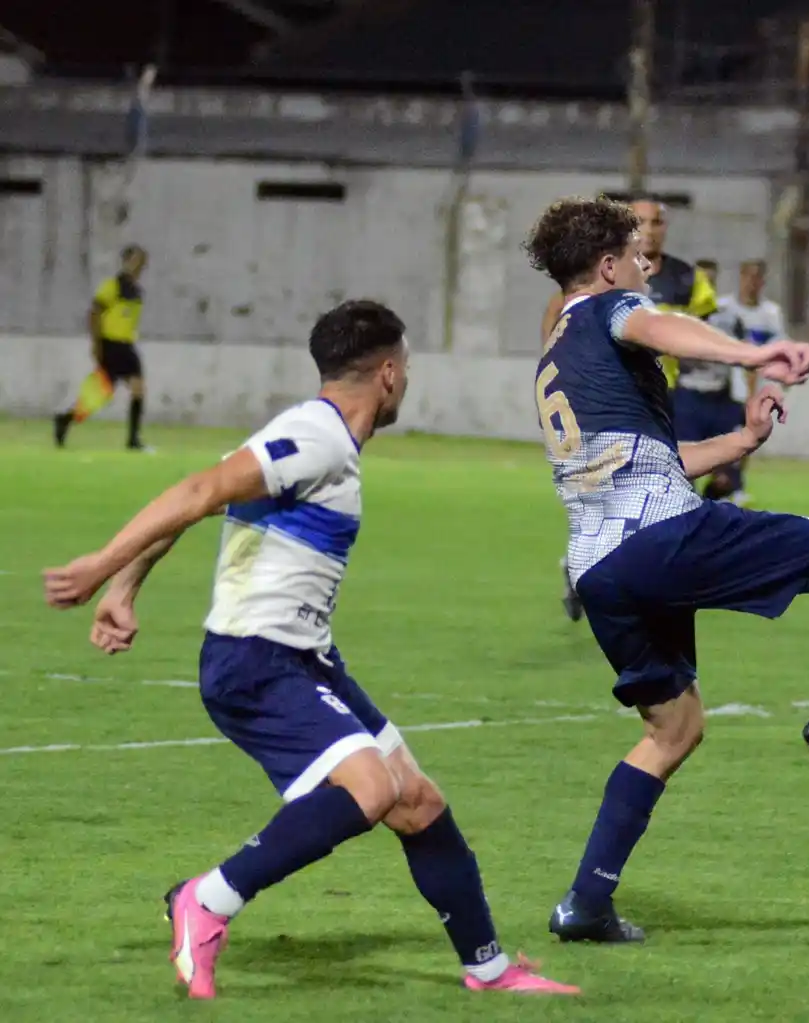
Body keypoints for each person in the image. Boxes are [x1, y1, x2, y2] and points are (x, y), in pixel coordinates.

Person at [41, 300, 578, 999]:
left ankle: (489, 968)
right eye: (406, 368)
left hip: (305, 656)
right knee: (372, 786)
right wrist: (102, 565)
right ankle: (208, 898)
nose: (405, 380)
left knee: (415, 799)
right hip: (253, 659)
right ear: (388, 373)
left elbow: (209, 491)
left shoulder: (308, 438)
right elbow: (201, 489)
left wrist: (126, 584)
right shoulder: (316, 435)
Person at [523, 196, 809, 944]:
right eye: (637, 257)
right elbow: (656, 322)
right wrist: (752, 352)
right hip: (662, 537)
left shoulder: (558, 351)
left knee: (674, 728)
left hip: (600, 569)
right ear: (605, 268)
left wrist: (743, 438)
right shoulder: (611, 308)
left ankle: (586, 902)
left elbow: (653, 462)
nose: (647, 268)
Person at [543, 197, 718, 622]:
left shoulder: (688, 279)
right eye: (641, 222)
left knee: (658, 488)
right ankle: (606, 570)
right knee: (624, 490)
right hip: (613, 402)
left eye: (657, 222)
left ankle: (597, 567)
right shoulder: (598, 281)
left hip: (663, 398)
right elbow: (557, 334)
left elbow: (698, 331)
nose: (650, 229)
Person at [704, 259, 789, 504]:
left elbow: (779, 346)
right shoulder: (724, 309)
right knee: (728, 436)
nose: (752, 283)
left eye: (757, 277)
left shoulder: (771, 313)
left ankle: (736, 483)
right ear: (740, 278)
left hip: (760, 387)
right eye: (748, 276)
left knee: (752, 435)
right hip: (729, 387)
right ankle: (725, 484)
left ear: (763, 281)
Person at [55, 244, 152, 451]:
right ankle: (66, 419)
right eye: (136, 260)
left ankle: (133, 439)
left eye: (142, 260)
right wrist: (96, 343)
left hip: (126, 345)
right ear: (126, 261)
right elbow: (94, 313)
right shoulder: (113, 286)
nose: (140, 264)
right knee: (101, 393)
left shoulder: (136, 291)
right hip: (112, 344)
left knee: (136, 389)